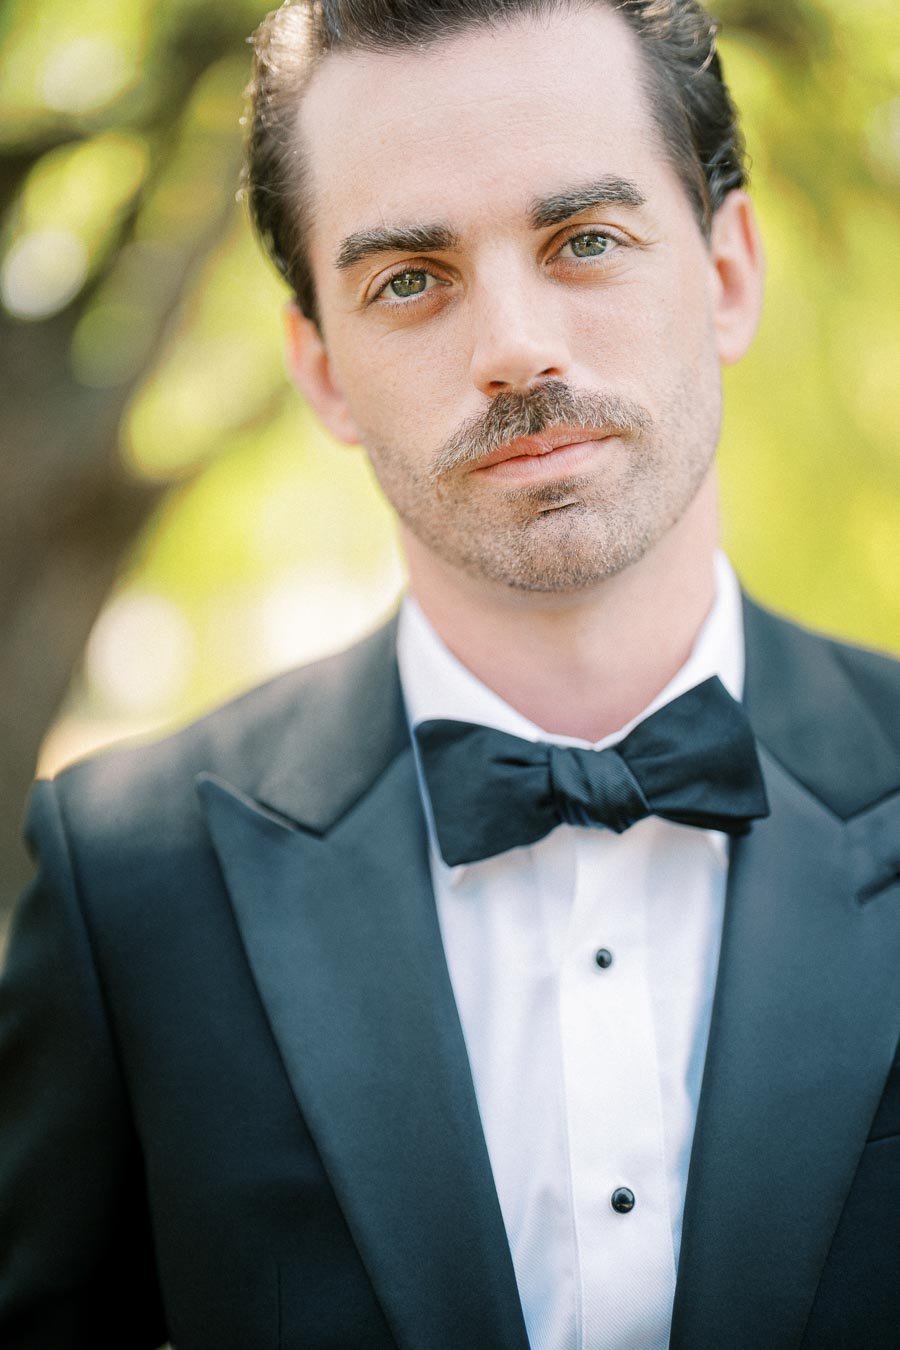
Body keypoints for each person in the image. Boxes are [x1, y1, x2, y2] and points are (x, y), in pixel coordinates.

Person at [1, 0, 898, 1346]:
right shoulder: (124, 876)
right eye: (411, 278)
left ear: (727, 271)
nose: (515, 348)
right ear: (323, 371)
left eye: (586, 240)